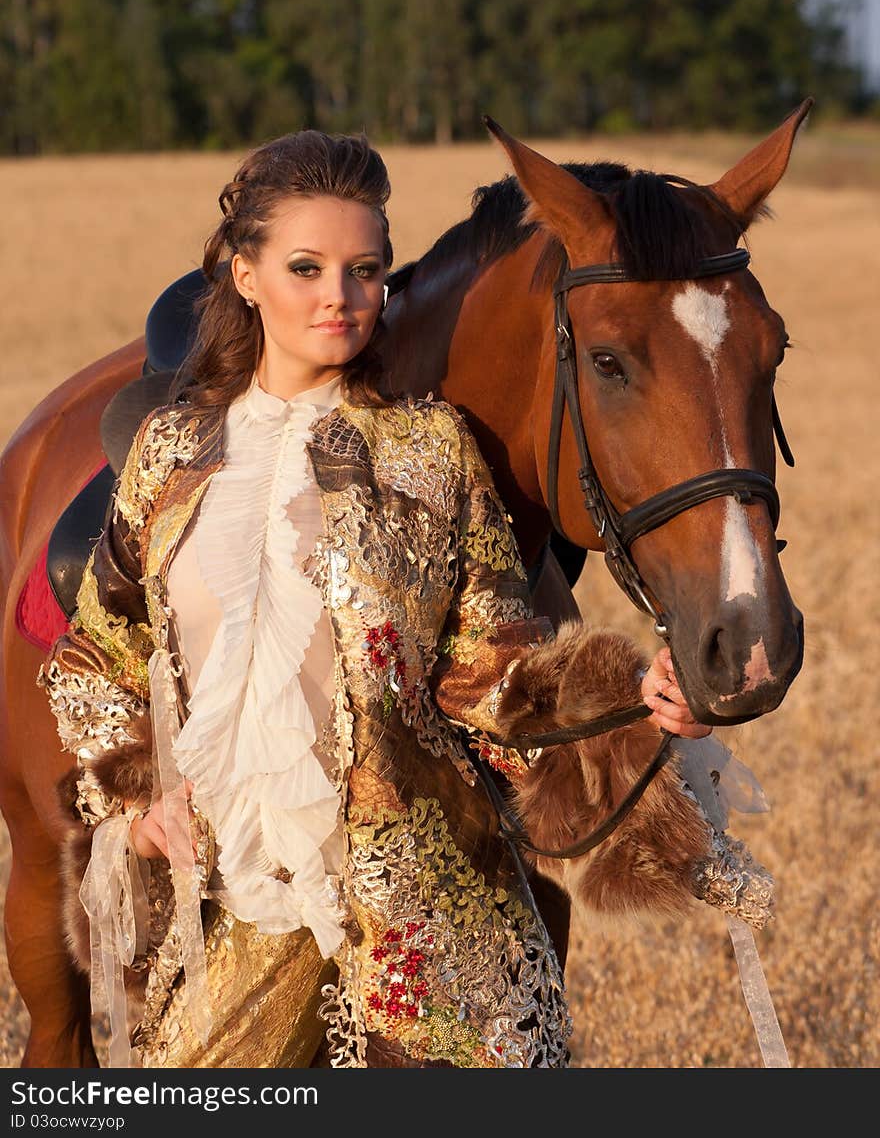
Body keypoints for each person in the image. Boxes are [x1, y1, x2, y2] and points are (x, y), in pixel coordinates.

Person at [39, 130, 758, 1071]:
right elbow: (99, 655)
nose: (340, 296)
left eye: (366, 269)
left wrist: (632, 707)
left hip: (435, 947)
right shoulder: (169, 458)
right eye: (307, 267)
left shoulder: (431, 453)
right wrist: (131, 814)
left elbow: (494, 677)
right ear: (246, 276)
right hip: (229, 928)